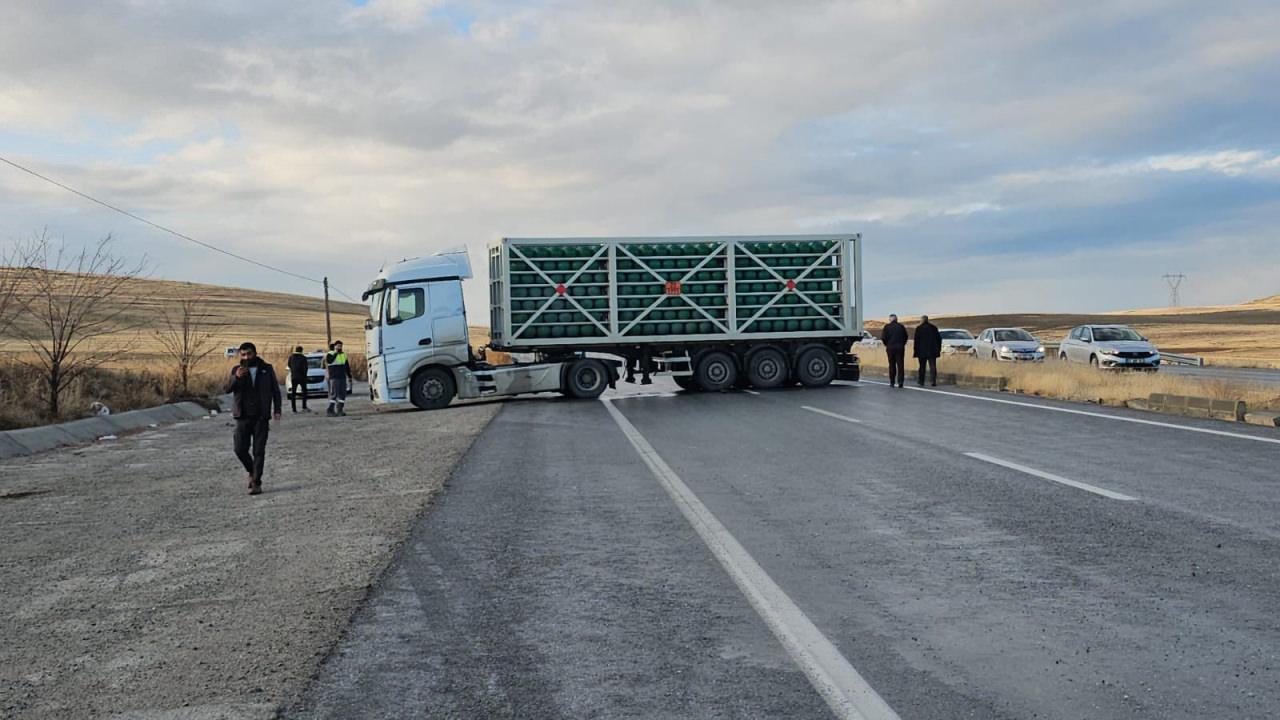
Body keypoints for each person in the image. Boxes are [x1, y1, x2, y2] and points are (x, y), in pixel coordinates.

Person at [225, 342, 281, 495]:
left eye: (249, 354)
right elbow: (227, 388)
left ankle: (256, 482)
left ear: (255, 353)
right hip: (242, 416)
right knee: (239, 449)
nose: (246, 357)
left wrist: (277, 410)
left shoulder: (266, 369)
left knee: (258, 451)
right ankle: (251, 470)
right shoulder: (236, 370)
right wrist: (236, 378)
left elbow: (275, 391)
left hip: (261, 416)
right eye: (243, 354)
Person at [913, 315, 943, 387]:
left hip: (922, 350)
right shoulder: (934, 328)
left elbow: (916, 341)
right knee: (933, 366)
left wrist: (916, 350)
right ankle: (933, 381)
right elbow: (939, 339)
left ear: (922, 320)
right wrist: (938, 349)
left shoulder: (919, 328)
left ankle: (921, 381)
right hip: (932, 350)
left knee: (922, 366)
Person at [325, 340, 353, 417]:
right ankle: (330, 410)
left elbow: (347, 366)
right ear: (334, 346)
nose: (339, 347)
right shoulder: (330, 354)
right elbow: (329, 361)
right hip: (334, 377)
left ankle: (340, 410)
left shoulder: (344, 355)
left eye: (340, 346)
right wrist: (336, 353)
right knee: (334, 394)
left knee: (342, 394)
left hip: (342, 377)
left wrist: (349, 376)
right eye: (338, 346)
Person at [881, 314, 908, 388]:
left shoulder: (887, 327)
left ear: (890, 319)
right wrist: (902, 344)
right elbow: (906, 337)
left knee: (891, 365)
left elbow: (883, 338)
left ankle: (892, 382)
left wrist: (887, 344)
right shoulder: (901, 326)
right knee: (900, 365)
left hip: (890, 348)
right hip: (900, 348)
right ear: (896, 319)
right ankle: (900, 382)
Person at [287, 345, 310, 413]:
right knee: (304, 392)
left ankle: (294, 409)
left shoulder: (291, 357)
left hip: (294, 377)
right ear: (301, 350)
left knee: (293, 393)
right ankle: (304, 407)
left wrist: (293, 370)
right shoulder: (303, 358)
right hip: (302, 377)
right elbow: (305, 368)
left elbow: (289, 365)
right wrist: (305, 375)